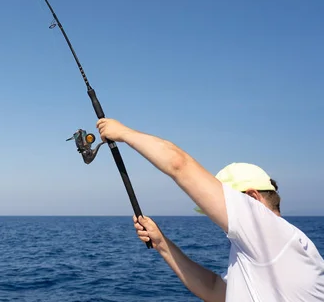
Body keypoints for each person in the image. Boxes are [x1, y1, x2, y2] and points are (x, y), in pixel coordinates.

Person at [96, 118, 324, 301]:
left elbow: (179, 165)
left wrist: (122, 133)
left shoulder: (272, 234)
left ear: (253, 199)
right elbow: (214, 290)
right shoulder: (264, 253)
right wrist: (162, 244)